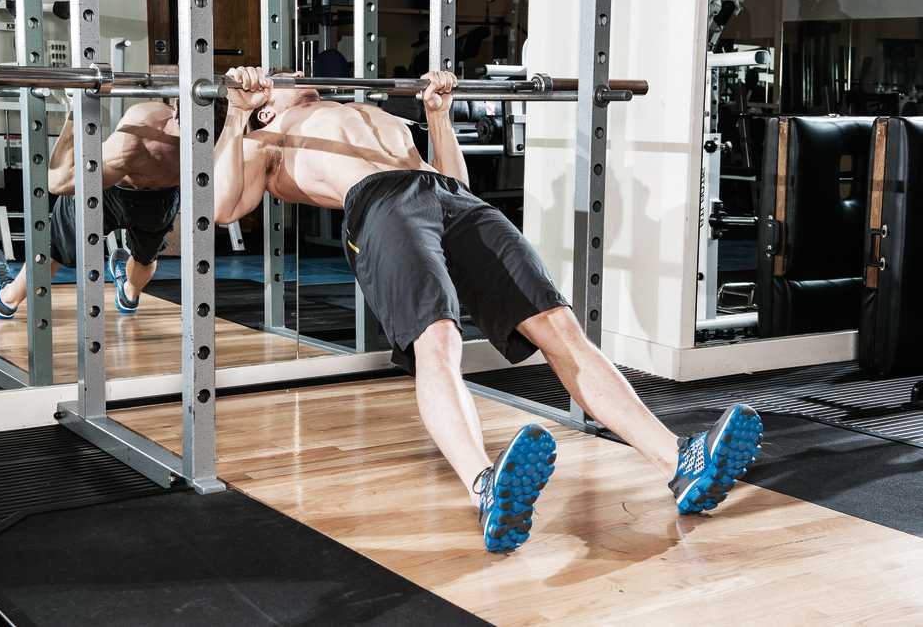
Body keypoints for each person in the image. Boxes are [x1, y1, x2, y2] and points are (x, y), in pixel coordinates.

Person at [213, 66, 764, 553]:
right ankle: (485, 484)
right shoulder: (265, 136)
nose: (280, 74)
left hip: (453, 199)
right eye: (271, 79)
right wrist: (237, 118)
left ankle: (678, 463)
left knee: (560, 327)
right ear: (264, 102)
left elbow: (456, 181)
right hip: (379, 205)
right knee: (439, 340)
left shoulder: (373, 114)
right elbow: (222, 207)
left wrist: (438, 115)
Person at [0, 100, 182, 318]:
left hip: (110, 192)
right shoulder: (217, 145)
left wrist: (74, 110)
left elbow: (59, 183)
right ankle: (129, 294)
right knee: (145, 257)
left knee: (53, 249)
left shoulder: (142, 125)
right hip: (162, 199)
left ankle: (7, 299)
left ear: (178, 103)